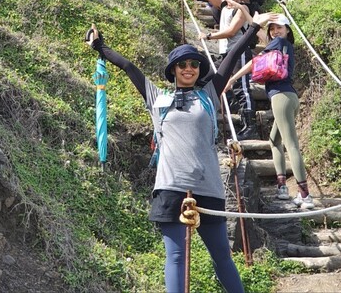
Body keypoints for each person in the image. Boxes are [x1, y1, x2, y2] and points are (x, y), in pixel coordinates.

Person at [86, 20, 267, 293]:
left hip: (208, 188)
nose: (189, 69)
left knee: (222, 257)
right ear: (173, 71)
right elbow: (129, 68)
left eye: (194, 65)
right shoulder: (157, 98)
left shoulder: (208, 94)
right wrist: (100, 47)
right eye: (182, 65)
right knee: (176, 257)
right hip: (170, 188)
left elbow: (229, 59)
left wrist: (253, 27)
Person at [225, 9, 314, 210]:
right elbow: (260, 33)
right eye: (272, 28)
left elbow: (253, 62)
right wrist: (252, 18)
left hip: (281, 97)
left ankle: (305, 195)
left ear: (287, 30)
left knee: (291, 144)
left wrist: (232, 78)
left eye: (279, 27)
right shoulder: (283, 45)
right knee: (275, 141)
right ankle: (282, 187)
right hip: (289, 97)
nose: (274, 31)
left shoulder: (280, 43)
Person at [186, 0, 259, 139]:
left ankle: (250, 126)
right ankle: (232, 105)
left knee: (241, 87)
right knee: (208, 78)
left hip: (239, 53)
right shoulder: (225, 6)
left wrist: (209, 35)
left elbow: (232, 31)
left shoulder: (243, 9)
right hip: (224, 53)